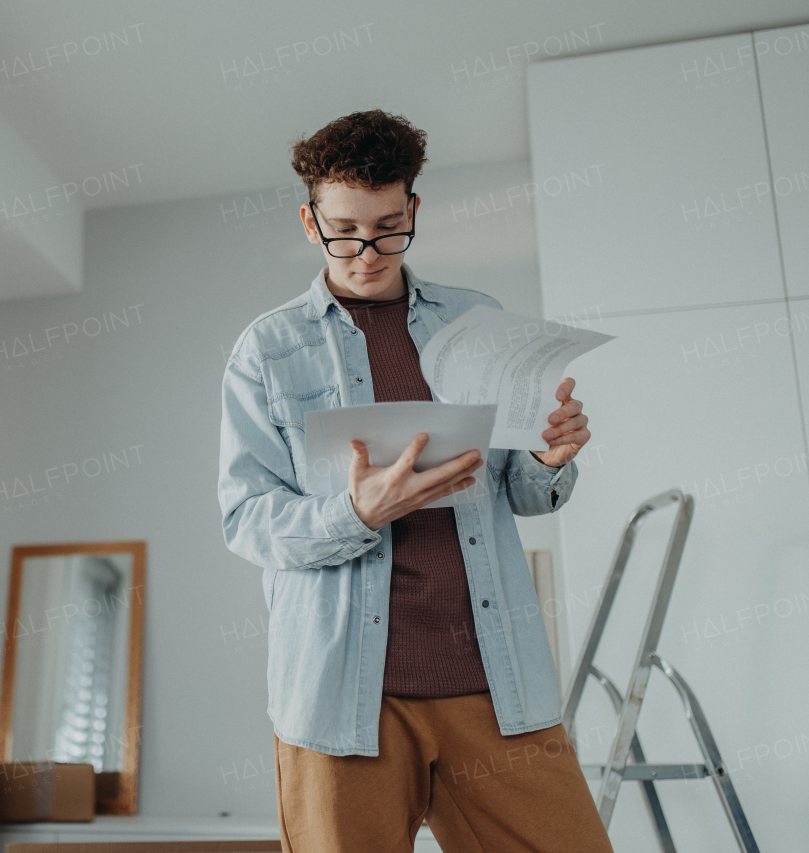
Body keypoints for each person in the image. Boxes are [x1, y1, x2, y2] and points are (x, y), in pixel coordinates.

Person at [217, 109, 612, 852]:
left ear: (414, 210)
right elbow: (246, 519)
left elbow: (517, 492)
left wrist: (548, 459)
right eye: (344, 229)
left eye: (389, 226)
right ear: (310, 222)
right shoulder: (267, 351)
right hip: (341, 699)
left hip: (494, 682)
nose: (367, 251)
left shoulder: (478, 319)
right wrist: (353, 513)